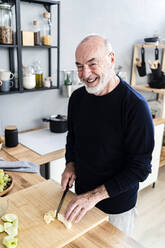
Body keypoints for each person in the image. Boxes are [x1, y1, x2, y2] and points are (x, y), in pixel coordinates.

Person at [61, 34, 154, 236]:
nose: (85, 74)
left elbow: (140, 169)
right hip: (81, 200)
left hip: (117, 208)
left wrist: (93, 196)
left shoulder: (135, 106)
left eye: (92, 64)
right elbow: (73, 139)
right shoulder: (77, 98)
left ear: (111, 59)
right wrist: (70, 163)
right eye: (79, 66)